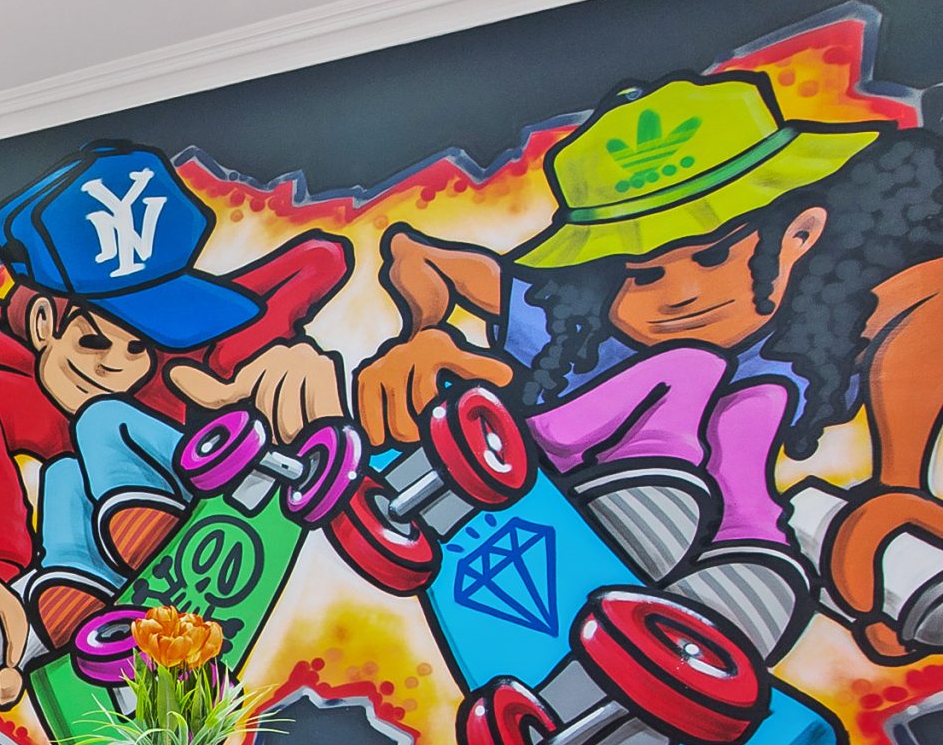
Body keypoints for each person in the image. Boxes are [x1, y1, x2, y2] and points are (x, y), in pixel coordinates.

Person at [353, 71, 943, 660]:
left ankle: (747, 572)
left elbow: (927, 302)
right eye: (644, 275)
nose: (681, 296)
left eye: (715, 255)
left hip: (710, 519)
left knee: (756, 412)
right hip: (582, 469)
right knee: (690, 367)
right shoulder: (569, 324)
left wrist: (898, 488)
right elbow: (416, 255)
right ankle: (575, 451)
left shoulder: (820, 332)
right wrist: (422, 334)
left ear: (799, 235)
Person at [0, 144, 350, 707]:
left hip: (176, 480)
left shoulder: (175, 369)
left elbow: (317, 262)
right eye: (92, 339)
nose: (114, 366)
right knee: (63, 476)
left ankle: (145, 507)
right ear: (45, 322)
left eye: (137, 346)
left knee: (100, 419)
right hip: (103, 546)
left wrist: (253, 378)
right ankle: (71, 586)